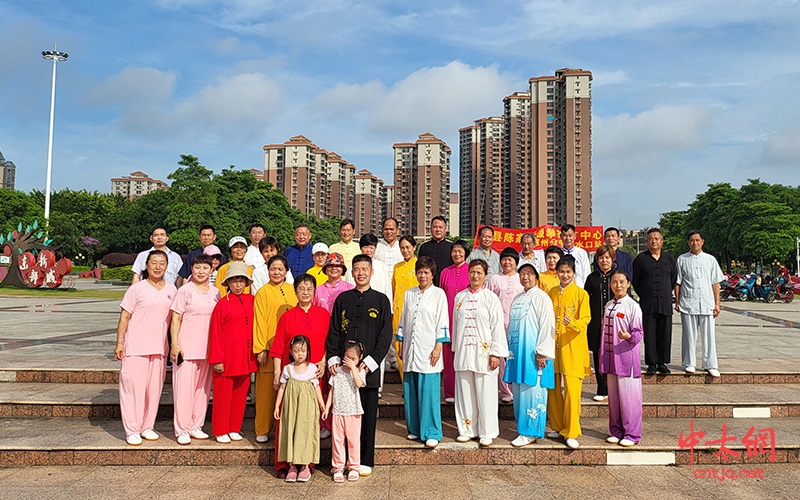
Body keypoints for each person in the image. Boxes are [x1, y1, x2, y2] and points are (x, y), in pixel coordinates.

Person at [326, 255, 393, 477]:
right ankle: (340, 461)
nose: (361, 273)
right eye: (357, 269)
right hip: (343, 371)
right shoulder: (343, 299)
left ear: (372, 272)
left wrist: (369, 363)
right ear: (351, 273)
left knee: (367, 415)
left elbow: (385, 336)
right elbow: (335, 330)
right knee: (343, 419)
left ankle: (364, 460)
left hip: (368, 370)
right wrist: (334, 358)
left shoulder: (382, 300)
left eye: (365, 269)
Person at [269, 274, 331, 478]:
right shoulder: (287, 316)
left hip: (314, 374)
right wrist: (278, 372)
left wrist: (322, 361)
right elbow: (278, 346)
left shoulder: (323, 314)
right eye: (301, 288)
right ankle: (286, 464)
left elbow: (328, 343)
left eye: (309, 289)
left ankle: (307, 463)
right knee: (288, 420)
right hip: (291, 376)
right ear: (295, 291)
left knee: (308, 420)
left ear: (315, 292)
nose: (305, 292)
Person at [115, 250, 177, 446]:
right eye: (154, 263)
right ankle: (132, 429)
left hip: (159, 348)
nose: (158, 266)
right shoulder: (137, 288)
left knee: (153, 389)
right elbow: (124, 316)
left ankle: (147, 426)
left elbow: (177, 320)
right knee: (133, 388)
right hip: (136, 347)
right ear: (146, 265)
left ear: (167, 266)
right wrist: (120, 341)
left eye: (162, 263)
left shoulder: (172, 289)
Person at [451, 259, 508, 447]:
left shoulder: (491, 298)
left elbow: (497, 327)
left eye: (479, 272)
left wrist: (495, 353)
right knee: (465, 392)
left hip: (484, 353)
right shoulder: (459, 298)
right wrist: (455, 349)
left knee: (486, 393)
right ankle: (468, 429)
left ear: (485, 275)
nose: (475, 275)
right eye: (472, 272)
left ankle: (487, 431)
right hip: (463, 351)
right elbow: (456, 325)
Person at [395, 256, 450, 448]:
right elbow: (403, 319)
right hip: (411, 347)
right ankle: (415, 429)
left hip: (429, 348)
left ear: (432, 274)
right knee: (410, 389)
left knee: (429, 391)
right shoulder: (410, 293)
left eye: (426, 272)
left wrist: (438, 346)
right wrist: (400, 343)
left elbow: (443, 321)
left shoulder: (439, 294)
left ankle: (432, 431)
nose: (422, 275)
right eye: (420, 272)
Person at [169, 253, 220, 445]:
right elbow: (175, 318)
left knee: (203, 389)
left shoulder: (216, 292)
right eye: (197, 267)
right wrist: (175, 344)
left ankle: (196, 425)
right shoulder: (185, 290)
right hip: (187, 348)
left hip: (207, 349)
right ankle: (182, 428)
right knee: (184, 389)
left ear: (211, 270)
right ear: (191, 268)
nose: (201, 271)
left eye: (205, 268)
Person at [503, 263, 556, 447]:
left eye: (529, 274)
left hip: (535, 356)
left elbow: (548, 325)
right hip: (518, 354)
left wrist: (542, 352)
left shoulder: (542, 298)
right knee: (519, 391)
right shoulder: (517, 298)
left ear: (536, 277)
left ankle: (531, 431)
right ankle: (522, 427)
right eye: (522, 274)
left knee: (533, 391)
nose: (525, 277)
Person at [207, 261, 257, 443]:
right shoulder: (222, 304)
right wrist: (217, 359)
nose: (238, 284)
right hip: (226, 357)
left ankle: (234, 427)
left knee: (240, 394)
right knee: (222, 395)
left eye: (241, 281)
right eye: (234, 281)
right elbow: (215, 333)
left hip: (244, 356)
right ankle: (221, 429)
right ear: (228, 283)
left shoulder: (252, 301)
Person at [546, 255, 591, 449]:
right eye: (561, 271)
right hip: (553, 346)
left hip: (572, 347)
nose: (564, 275)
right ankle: (558, 427)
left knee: (572, 390)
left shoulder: (581, 294)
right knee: (553, 388)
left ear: (574, 273)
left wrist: (571, 322)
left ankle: (572, 430)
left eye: (568, 272)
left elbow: (586, 319)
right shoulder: (552, 292)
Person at [253, 255, 298, 443]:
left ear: (286, 271)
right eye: (273, 269)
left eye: (280, 269)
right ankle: (262, 428)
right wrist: (261, 347)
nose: (277, 272)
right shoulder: (263, 292)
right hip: (270, 348)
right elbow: (259, 321)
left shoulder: (293, 290)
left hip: (292, 350)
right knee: (265, 393)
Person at [600, 270, 644, 447]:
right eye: (614, 282)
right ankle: (616, 430)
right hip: (610, 357)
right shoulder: (609, 305)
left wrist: (627, 336)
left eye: (621, 282)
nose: (618, 285)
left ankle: (632, 434)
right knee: (614, 397)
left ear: (628, 284)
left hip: (626, 359)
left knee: (629, 398)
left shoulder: (633, 306)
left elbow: (639, 333)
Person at [273, 335, 326, 483]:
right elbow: (282, 388)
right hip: (291, 408)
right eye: (296, 350)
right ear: (291, 351)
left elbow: (316, 388)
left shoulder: (312, 369)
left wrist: (322, 405)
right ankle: (291, 466)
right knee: (291, 431)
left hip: (307, 408)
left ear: (308, 351)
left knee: (305, 432)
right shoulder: (287, 369)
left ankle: (304, 466)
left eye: (303, 350)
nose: (300, 354)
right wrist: (277, 405)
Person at [675, 230, 724, 378]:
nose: (694, 243)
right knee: (689, 334)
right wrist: (677, 301)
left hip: (706, 302)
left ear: (702, 241)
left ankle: (710, 364)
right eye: (692, 240)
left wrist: (717, 304)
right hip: (688, 302)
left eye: (697, 240)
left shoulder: (710, 260)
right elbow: (678, 282)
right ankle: (689, 363)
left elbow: (715, 283)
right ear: (688, 242)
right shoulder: (682, 259)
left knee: (709, 335)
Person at [632, 228, 677, 375]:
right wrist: (645, 294)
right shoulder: (640, 259)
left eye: (657, 238)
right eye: (651, 238)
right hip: (648, 302)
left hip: (664, 302)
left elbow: (673, 279)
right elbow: (636, 281)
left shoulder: (669, 259)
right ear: (647, 241)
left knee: (665, 333)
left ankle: (662, 363)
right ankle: (651, 363)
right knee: (649, 334)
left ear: (662, 241)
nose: (654, 241)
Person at [323, 341, 366, 483]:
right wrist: (327, 407)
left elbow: (359, 384)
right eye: (347, 358)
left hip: (353, 411)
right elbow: (332, 390)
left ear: (359, 358)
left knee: (353, 441)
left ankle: (354, 467)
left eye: (353, 358)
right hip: (337, 412)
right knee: (337, 441)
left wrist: (354, 368)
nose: (349, 361)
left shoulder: (359, 372)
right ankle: (338, 467)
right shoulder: (337, 372)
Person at [487, 247, 524, 404]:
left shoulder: (521, 278)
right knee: (501, 356)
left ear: (516, 261)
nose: (507, 262)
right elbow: (488, 300)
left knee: (516, 356)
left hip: (519, 323)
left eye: (510, 259)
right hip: (499, 324)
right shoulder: (495, 279)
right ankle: (505, 390)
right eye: (504, 259)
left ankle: (517, 388)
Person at [438, 239, 472, 403]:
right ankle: (450, 392)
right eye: (454, 251)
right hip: (448, 318)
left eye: (460, 251)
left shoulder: (471, 270)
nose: (457, 254)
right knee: (448, 355)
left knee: (465, 353)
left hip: (467, 318)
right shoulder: (445, 272)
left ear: (466, 252)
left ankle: (465, 390)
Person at [584, 244, 615, 402]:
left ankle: (614, 390)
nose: (604, 260)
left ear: (612, 259)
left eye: (607, 257)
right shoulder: (592, 278)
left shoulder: (618, 276)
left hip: (616, 324)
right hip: (596, 323)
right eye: (601, 258)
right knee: (598, 356)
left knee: (614, 356)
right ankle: (601, 389)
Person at [391, 235, 419, 381]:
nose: (405, 250)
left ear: (414, 247)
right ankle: (405, 383)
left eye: (408, 247)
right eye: (402, 247)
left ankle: (414, 382)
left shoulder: (419, 266)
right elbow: (394, 289)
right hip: (398, 313)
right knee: (399, 349)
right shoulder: (397, 267)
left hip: (414, 313)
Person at [417, 216, 453, 286]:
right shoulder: (424, 247)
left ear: (445, 229)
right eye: (435, 227)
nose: (438, 230)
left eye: (440, 227)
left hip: (448, 284)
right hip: (428, 285)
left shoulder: (452, 247)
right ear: (431, 229)